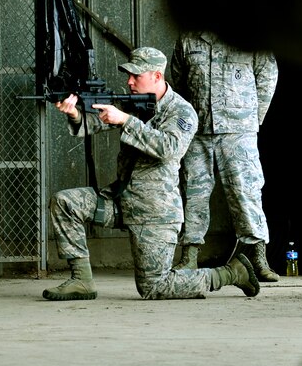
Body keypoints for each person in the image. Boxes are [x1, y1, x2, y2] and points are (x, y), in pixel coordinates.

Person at [42, 47, 260, 301]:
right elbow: (94, 123)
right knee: (65, 203)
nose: (129, 81)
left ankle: (232, 273)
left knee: (154, 286)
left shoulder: (182, 111)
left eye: (136, 76)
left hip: (155, 213)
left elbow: (169, 148)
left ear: (157, 76)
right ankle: (82, 280)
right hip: (121, 201)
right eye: (128, 75)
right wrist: (74, 113)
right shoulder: (131, 103)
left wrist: (126, 121)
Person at [169, 30, 280, 281]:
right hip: (198, 130)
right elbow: (179, 82)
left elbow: (267, 77)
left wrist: (251, 119)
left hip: (239, 131)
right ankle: (189, 256)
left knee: (246, 191)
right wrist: (190, 117)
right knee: (192, 193)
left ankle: (258, 257)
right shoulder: (188, 39)